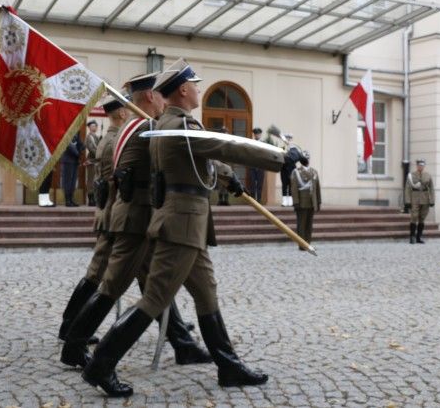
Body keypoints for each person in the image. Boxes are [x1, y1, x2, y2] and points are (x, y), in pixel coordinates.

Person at [80, 59, 283, 397]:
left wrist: (229, 179)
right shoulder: (178, 126)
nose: (200, 91)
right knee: (155, 298)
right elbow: (225, 146)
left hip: (189, 223)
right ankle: (101, 364)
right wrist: (280, 156)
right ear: (184, 90)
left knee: (206, 293)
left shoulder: (169, 124)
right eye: (197, 86)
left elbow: (206, 163)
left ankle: (228, 365)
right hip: (182, 223)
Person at [61, 72, 209, 371]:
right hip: (137, 219)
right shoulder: (145, 129)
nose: (163, 100)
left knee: (152, 285)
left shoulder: (134, 127)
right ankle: (76, 346)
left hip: (136, 217)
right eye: (159, 95)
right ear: (152, 97)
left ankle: (181, 343)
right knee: (115, 287)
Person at [58, 95, 128, 343]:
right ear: (120, 113)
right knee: (96, 274)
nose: (130, 112)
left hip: (110, 212)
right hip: (111, 214)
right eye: (127, 109)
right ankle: (70, 327)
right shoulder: (115, 140)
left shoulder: (110, 138)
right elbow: (113, 182)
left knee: (144, 273)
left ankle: (176, 330)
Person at [290, 152, 321, 249]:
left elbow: (317, 188)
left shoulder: (314, 172)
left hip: (312, 202)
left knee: (309, 225)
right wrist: (296, 202)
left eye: (308, 158)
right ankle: (302, 244)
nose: (307, 160)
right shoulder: (296, 172)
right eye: (305, 158)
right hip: (301, 203)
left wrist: (318, 202)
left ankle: (308, 243)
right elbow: (294, 188)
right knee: (301, 224)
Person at [404, 158, 434, 244]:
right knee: (414, 216)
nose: (420, 167)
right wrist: (407, 201)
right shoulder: (412, 175)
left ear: (424, 166)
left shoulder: (428, 175)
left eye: (422, 165)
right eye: (419, 165)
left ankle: (419, 237)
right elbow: (407, 188)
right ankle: (412, 236)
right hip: (414, 198)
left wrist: (432, 200)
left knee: (422, 218)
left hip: (425, 199)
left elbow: (431, 188)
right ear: (416, 166)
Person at [60, 134, 84, 207]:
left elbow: (82, 145)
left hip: (75, 161)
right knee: (67, 181)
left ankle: (71, 199)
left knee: (73, 182)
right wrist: (78, 153)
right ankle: (67, 200)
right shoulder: (66, 132)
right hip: (68, 161)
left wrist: (80, 147)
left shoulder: (76, 133)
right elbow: (69, 145)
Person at [280, 133, 303, 207]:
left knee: (291, 184)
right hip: (284, 169)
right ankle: (284, 201)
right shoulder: (282, 148)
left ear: (291, 140)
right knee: (284, 184)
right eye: (287, 139)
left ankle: (290, 201)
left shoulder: (294, 149)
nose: (288, 140)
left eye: (289, 139)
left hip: (292, 169)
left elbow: (298, 157)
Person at [84, 120, 100, 206]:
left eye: (95, 126)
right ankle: (91, 200)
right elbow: (91, 148)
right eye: (92, 126)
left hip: (96, 161)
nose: (94, 127)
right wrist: (99, 154)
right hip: (92, 161)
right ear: (89, 127)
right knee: (91, 180)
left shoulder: (95, 136)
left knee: (95, 179)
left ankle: (94, 198)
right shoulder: (89, 137)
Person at [249, 127, 266, 203]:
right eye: (256, 134)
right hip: (252, 165)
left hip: (261, 166)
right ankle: (253, 200)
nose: (257, 135)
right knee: (252, 183)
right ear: (254, 135)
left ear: (260, 135)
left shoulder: (263, 143)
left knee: (260, 183)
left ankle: (258, 199)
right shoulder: (251, 143)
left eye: (258, 134)